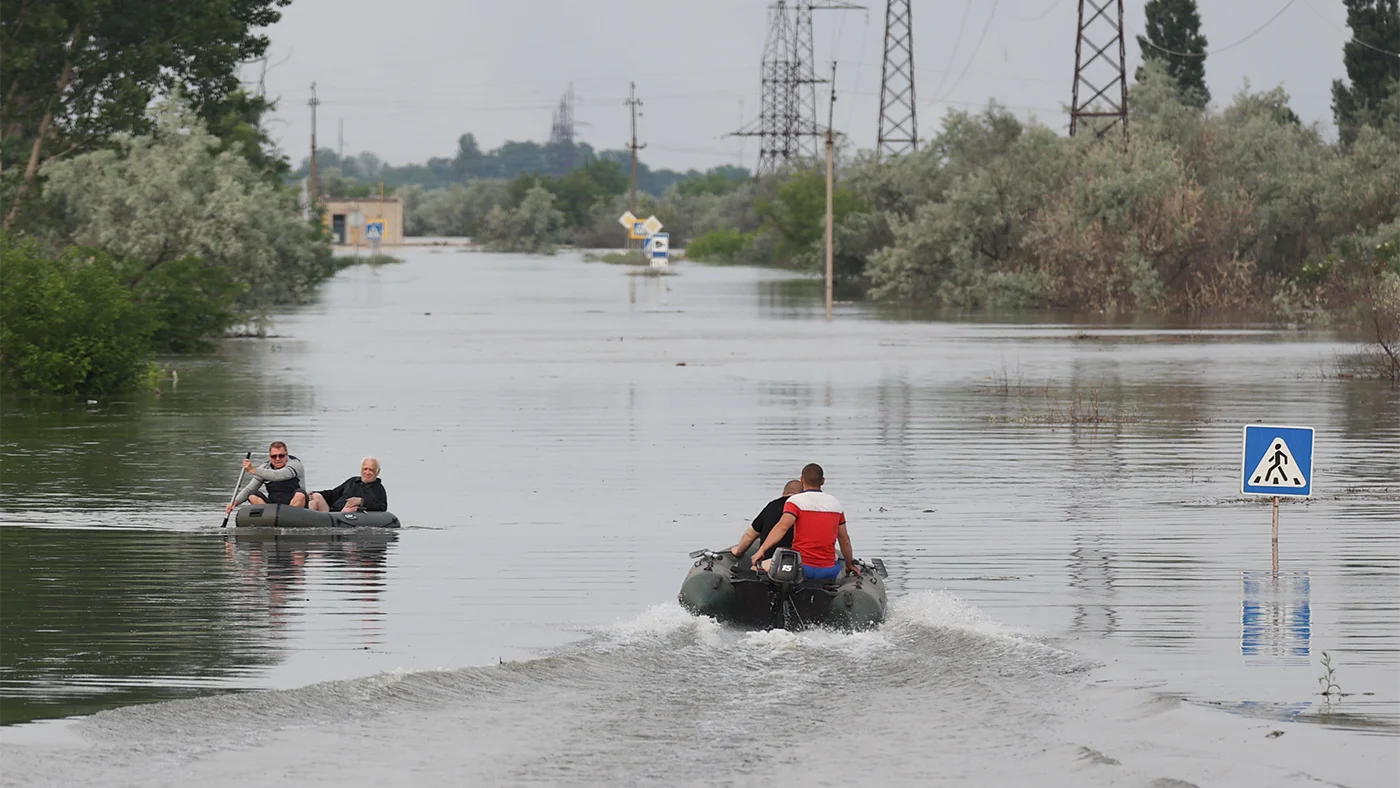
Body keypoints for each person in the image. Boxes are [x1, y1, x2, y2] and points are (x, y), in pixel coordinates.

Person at [750, 463, 858, 580]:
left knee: (756, 567)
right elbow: (844, 539)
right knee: (835, 557)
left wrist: (761, 551)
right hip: (829, 570)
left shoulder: (795, 502)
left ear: (801, 480)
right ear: (822, 481)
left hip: (801, 568)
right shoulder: (835, 504)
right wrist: (849, 564)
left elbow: (782, 527)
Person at [729, 479, 803, 562]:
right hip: (796, 561)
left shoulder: (772, 506)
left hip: (768, 560)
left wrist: (738, 551)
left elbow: (750, 535)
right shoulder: (805, 509)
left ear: (783, 493)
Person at [227, 442, 307, 513]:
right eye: (274, 456)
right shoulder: (264, 467)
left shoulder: (295, 464)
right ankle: (269, 517)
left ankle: (291, 517)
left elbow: (277, 476)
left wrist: (253, 470)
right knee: (252, 494)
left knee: (300, 494)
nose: (277, 459)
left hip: (294, 504)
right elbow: (249, 488)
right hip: (272, 507)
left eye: (281, 456)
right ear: (270, 457)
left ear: (286, 455)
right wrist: (235, 502)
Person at [309, 457, 388, 513]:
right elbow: (334, 493)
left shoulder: (378, 489)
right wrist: (313, 493)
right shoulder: (352, 481)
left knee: (349, 509)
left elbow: (381, 507)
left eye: (371, 470)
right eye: (365, 469)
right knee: (316, 496)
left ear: (377, 472)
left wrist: (361, 501)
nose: (367, 472)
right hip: (330, 512)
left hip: (345, 517)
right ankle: (307, 520)